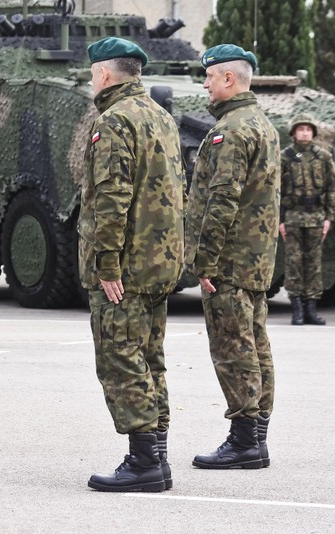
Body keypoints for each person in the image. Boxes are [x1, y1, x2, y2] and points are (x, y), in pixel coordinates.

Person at [79, 37, 185, 492]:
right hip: (159, 262)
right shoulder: (161, 116)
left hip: (127, 264)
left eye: (92, 73)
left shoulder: (115, 120)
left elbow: (111, 197)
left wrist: (106, 265)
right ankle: (156, 454)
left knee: (120, 357)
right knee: (150, 357)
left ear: (104, 74)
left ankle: (144, 462)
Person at [186, 44, 280, 470]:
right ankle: (256, 437)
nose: (204, 84)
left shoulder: (230, 131)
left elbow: (221, 201)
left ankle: (244, 441)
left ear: (228, 79)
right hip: (256, 258)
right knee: (255, 344)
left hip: (230, 259)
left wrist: (205, 261)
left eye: (209, 76)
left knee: (233, 348)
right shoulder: (262, 123)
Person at [280, 113, 335, 326]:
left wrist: (328, 218)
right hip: (293, 217)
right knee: (294, 262)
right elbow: (276, 189)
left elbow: (332, 188)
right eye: (300, 129)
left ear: (313, 133)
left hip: (316, 216)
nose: (304, 132)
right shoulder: (284, 157)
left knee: (313, 263)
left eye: (308, 129)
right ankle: (296, 309)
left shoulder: (323, 156)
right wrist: (280, 219)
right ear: (294, 133)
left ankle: (311, 308)